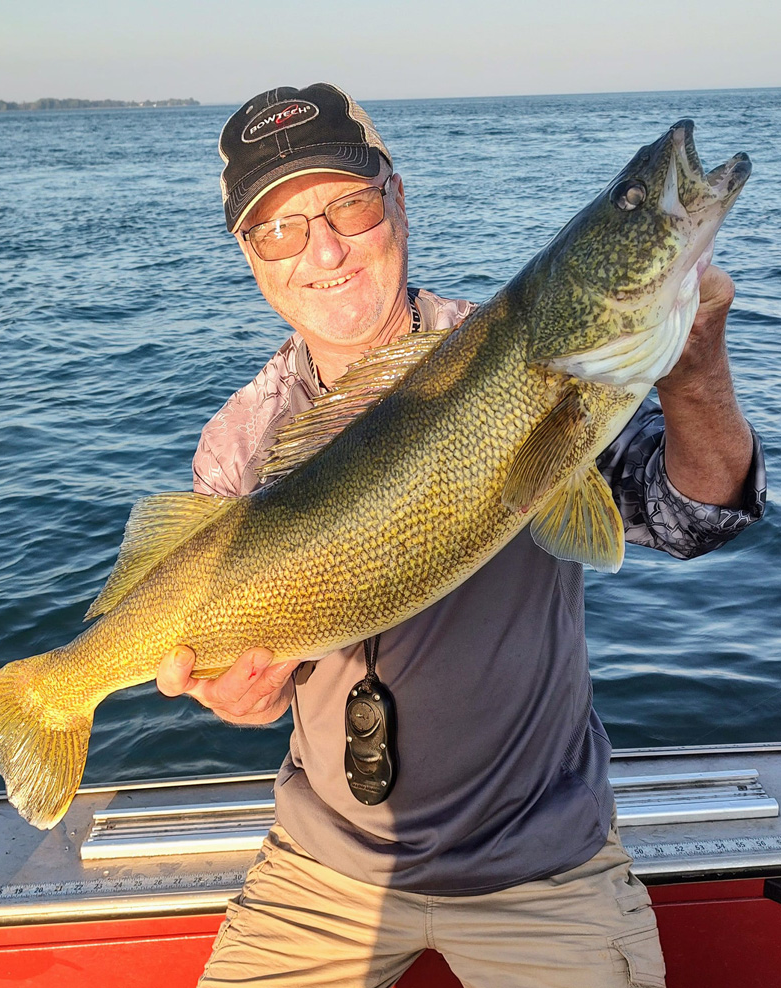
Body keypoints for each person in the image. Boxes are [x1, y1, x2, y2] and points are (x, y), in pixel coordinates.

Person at [156, 84, 766, 987]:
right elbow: (239, 669)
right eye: (279, 230)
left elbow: (694, 519)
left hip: (544, 864)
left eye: (349, 207)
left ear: (396, 199)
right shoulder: (242, 440)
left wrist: (694, 364)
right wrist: (233, 692)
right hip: (326, 868)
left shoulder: (516, 355)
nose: (323, 250)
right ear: (252, 258)